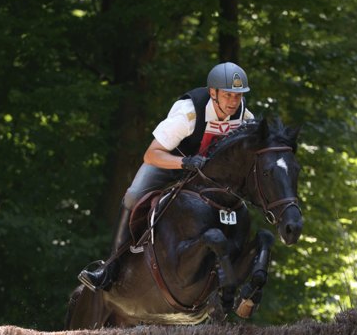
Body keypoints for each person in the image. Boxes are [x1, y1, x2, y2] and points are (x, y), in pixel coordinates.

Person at [79, 61, 254, 292]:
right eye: (228, 95)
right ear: (213, 92)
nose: (234, 101)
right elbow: (151, 154)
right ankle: (109, 268)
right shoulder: (189, 112)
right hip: (170, 161)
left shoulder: (245, 117)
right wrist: (184, 162)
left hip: (207, 174)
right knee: (133, 196)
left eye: (238, 96)